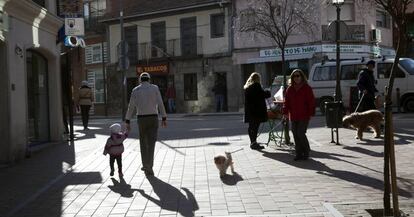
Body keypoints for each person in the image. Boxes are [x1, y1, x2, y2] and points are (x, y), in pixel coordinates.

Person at [125, 72, 167, 177]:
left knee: (143, 143)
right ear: (149, 79)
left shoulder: (135, 90)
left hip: (142, 119)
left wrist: (127, 120)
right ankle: (150, 167)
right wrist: (164, 117)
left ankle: (145, 165)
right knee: (151, 143)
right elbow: (160, 103)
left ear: (140, 80)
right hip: (153, 117)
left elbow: (131, 106)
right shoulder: (155, 88)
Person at [283, 69, 315, 161]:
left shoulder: (307, 88)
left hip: (304, 115)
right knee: (295, 133)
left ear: (302, 76)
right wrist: (285, 112)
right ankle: (298, 153)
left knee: (300, 133)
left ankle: (306, 151)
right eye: (294, 76)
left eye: (298, 76)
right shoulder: (290, 89)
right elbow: (286, 102)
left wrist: (311, 113)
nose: (296, 78)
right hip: (293, 115)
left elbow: (311, 101)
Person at [244, 72, 271, 150]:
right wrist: (268, 91)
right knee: (255, 127)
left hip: (250, 111)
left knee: (251, 127)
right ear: (258, 79)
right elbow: (264, 95)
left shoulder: (247, 87)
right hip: (257, 111)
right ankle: (254, 143)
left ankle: (252, 142)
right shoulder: (257, 85)